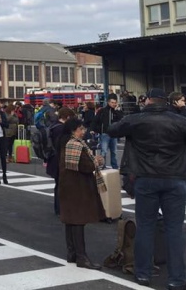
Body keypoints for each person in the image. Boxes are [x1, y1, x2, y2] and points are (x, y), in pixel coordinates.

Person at [108, 88, 186, 289]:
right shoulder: (179, 120)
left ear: (148, 101)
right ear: (166, 101)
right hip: (174, 177)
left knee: (145, 227)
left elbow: (112, 129)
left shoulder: (136, 119)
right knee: (174, 229)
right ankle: (177, 279)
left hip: (145, 178)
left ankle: (142, 273)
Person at [58, 118, 106, 270]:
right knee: (78, 220)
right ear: (73, 131)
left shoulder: (66, 143)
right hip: (77, 186)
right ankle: (82, 257)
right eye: (81, 129)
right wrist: (96, 161)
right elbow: (83, 166)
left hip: (68, 186)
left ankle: (72, 253)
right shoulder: (75, 144)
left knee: (71, 220)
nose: (83, 131)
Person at [46, 107, 75, 216]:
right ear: (67, 117)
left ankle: (59, 208)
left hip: (53, 158)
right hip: (58, 159)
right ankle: (60, 208)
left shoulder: (54, 126)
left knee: (58, 184)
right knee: (61, 185)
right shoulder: (61, 129)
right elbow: (61, 146)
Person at [90, 93, 123, 168]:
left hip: (114, 134)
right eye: (112, 102)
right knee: (104, 151)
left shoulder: (117, 111)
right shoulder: (102, 111)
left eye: (115, 102)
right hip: (105, 133)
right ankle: (102, 165)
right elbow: (95, 120)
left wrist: (117, 111)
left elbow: (121, 119)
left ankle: (114, 166)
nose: (114, 104)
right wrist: (92, 129)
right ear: (108, 102)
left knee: (114, 151)